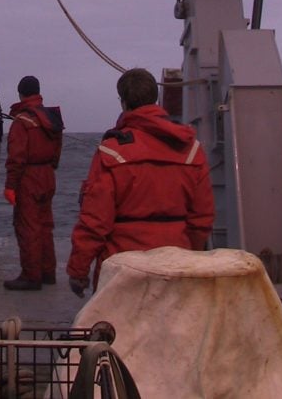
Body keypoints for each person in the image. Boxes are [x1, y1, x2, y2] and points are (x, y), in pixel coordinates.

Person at [67, 67, 214, 298]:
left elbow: (94, 222)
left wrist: (78, 270)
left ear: (123, 102)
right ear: (154, 98)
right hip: (176, 264)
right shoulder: (192, 150)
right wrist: (188, 254)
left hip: (123, 270)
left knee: (116, 332)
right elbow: (202, 218)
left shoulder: (112, 152)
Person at [3, 75, 64, 291]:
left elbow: (16, 157)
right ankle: (48, 273)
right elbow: (57, 147)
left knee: (28, 227)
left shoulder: (22, 121)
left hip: (29, 177)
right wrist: (50, 169)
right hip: (48, 175)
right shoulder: (50, 117)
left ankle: (31, 276)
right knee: (45, 225)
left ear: (20, 94)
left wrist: (10, 186)